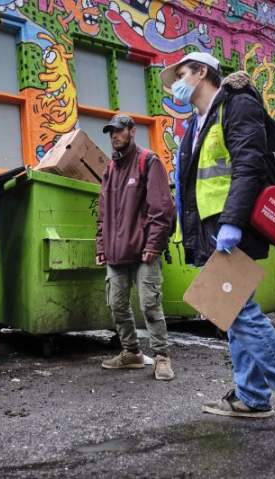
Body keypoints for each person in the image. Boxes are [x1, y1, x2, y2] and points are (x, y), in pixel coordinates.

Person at [161, 52, 275, 429]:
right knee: (232, 310)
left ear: (202, 72)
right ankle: (251, 396)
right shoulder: (195, 124)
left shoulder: (236, 106)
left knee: (238, 312)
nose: (176, 86)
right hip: (212, 226)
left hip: (231, 224)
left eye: (181, 75)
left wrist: (233, 222)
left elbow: (249, 165)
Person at [96, 114, 176, 380]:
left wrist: (154, 244)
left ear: (132, 131)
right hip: (116, 250)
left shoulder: (147, 161)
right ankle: (131, 353)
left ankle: (162, 357)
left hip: (144, 250)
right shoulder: (110, 169)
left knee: (150, 305)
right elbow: (103, 213)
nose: (114, 136)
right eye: (111, 132)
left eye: (119, 130)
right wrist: (101, 246)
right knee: (116, 304)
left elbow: (161, 208)